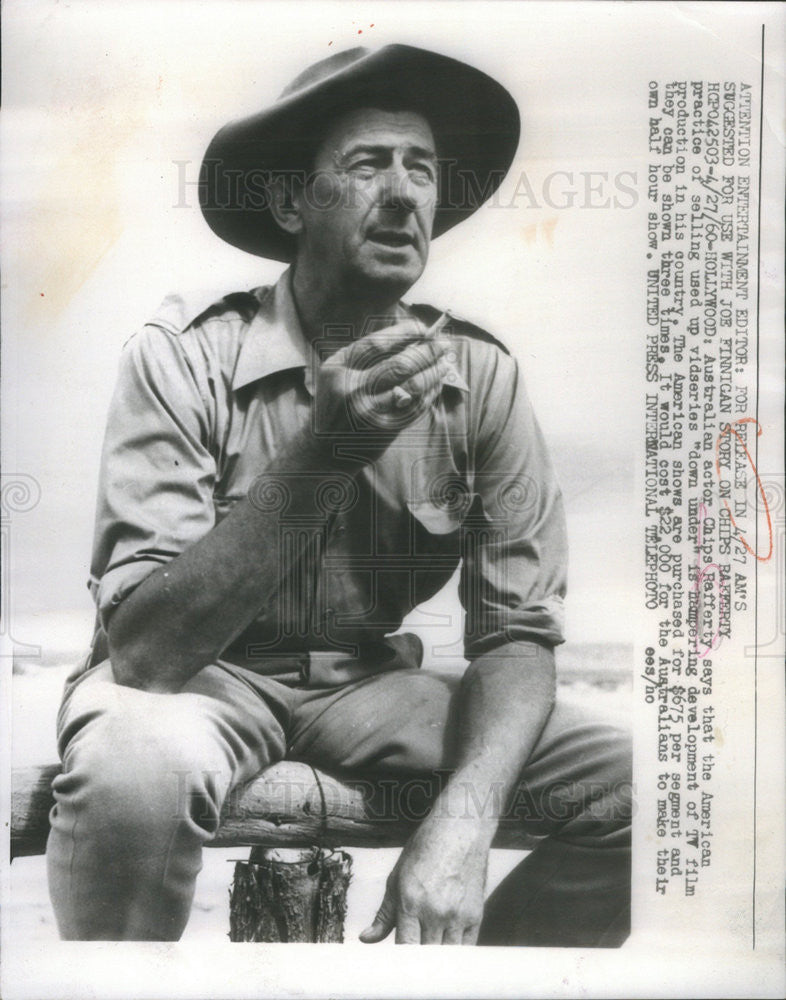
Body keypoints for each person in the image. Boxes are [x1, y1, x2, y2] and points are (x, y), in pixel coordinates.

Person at [46, 43, 631, 945]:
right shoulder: (183, 356)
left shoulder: (481, 376)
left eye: (421, 169)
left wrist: (462, 824)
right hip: (200, 682)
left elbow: (517, 635)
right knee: (134, 768)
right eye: (366, 165)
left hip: (368, 688)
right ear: (290, 203)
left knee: (651, 789)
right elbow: (146, 655)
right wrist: (325, 453)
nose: (402, 193)